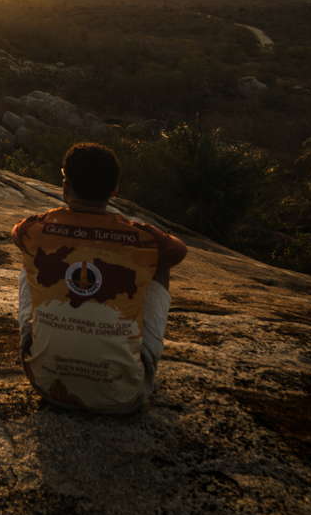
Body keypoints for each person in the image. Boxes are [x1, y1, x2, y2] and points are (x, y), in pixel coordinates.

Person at [11, 142, 188, 414]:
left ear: (65, 186)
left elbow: (16, 235)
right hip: (123, 396)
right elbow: (178, 251)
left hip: (46, 384)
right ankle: (128, 355)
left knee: (31, 260)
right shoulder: (143, 238)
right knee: (158, 265)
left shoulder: (35, 228)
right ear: (114, 190)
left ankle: (49, 350)